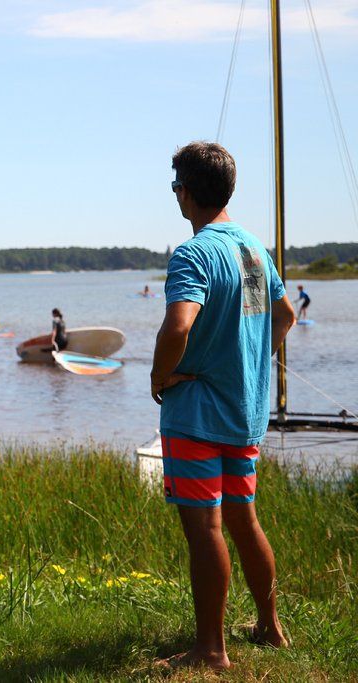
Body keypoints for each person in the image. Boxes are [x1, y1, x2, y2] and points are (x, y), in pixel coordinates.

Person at [151, 142, 294, 671]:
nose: (176, 197)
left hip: (197, 415)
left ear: (186, 192)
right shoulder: (254, 249)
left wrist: (160, 374)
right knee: (244, 519)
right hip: (245, 412)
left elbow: (178, 325)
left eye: (175, 188)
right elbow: (284, 317)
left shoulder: (193, 253)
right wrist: (251, 361)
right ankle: (269, 627)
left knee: (205, 528)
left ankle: (210, 650)